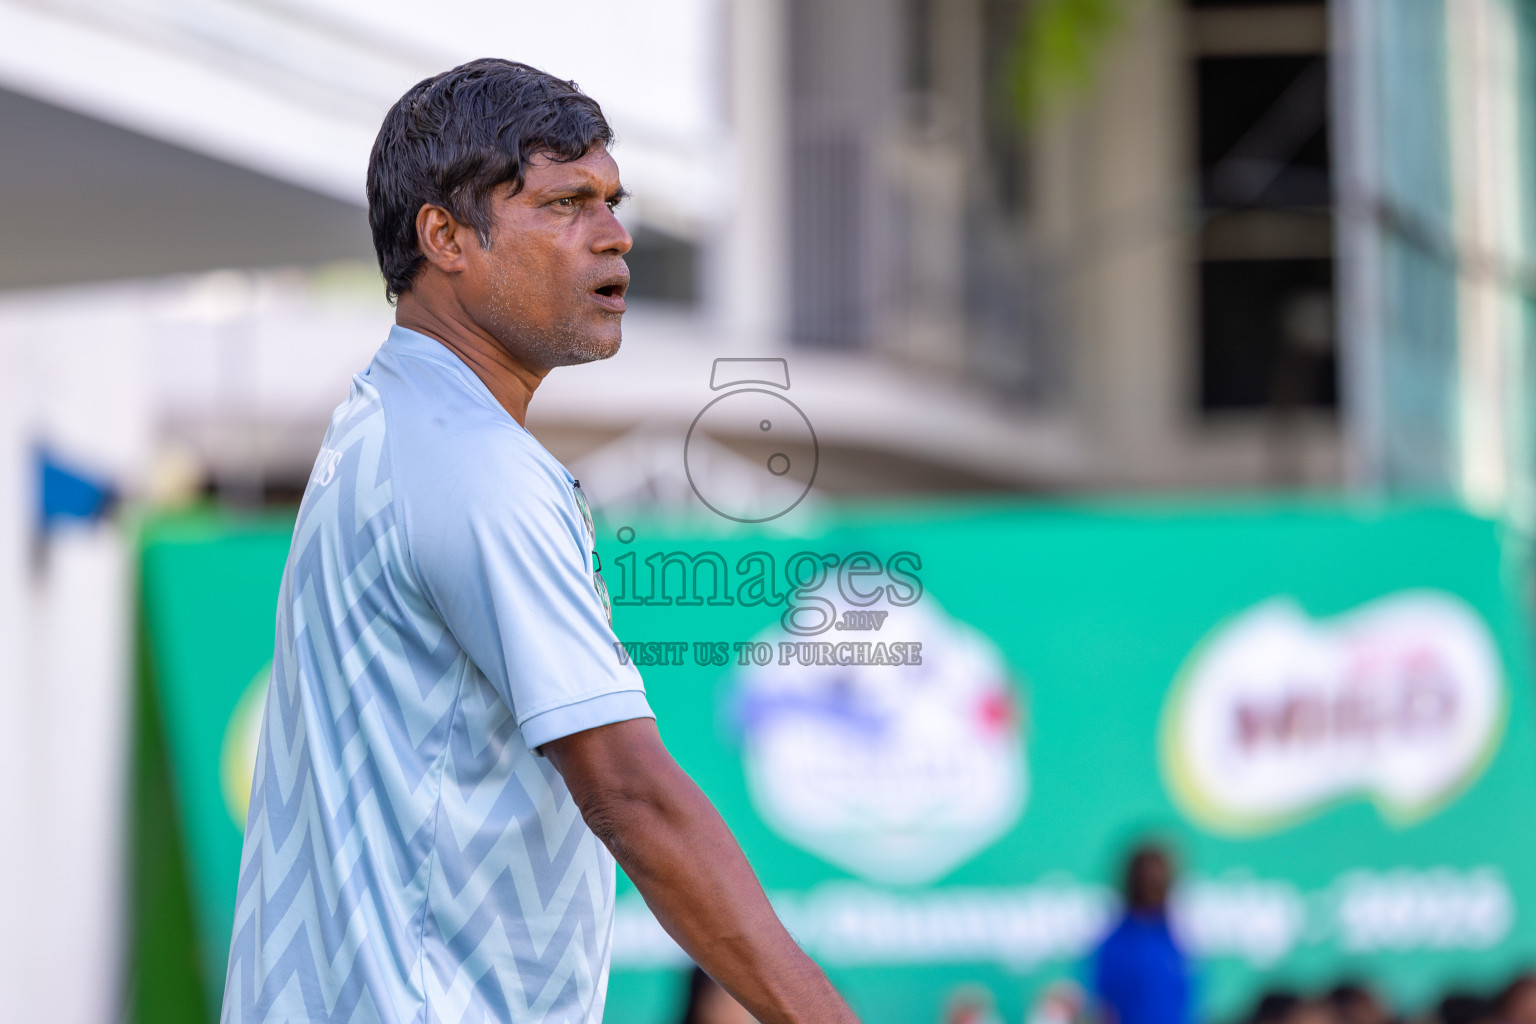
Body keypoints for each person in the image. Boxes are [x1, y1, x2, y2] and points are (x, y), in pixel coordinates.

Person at [220, 58, 858, 1024]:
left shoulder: (385, 423)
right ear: (444, 237)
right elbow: (630, 794)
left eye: (611, 198)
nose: (615, 233)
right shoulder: (475, 467)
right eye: (564, 203)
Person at [1089, 844, 1194, 1024]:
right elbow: (1100, 1008)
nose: (1153, 885)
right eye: (1147, 880)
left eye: (1158, 880)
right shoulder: (1114, 946)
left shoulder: (1181, 941)